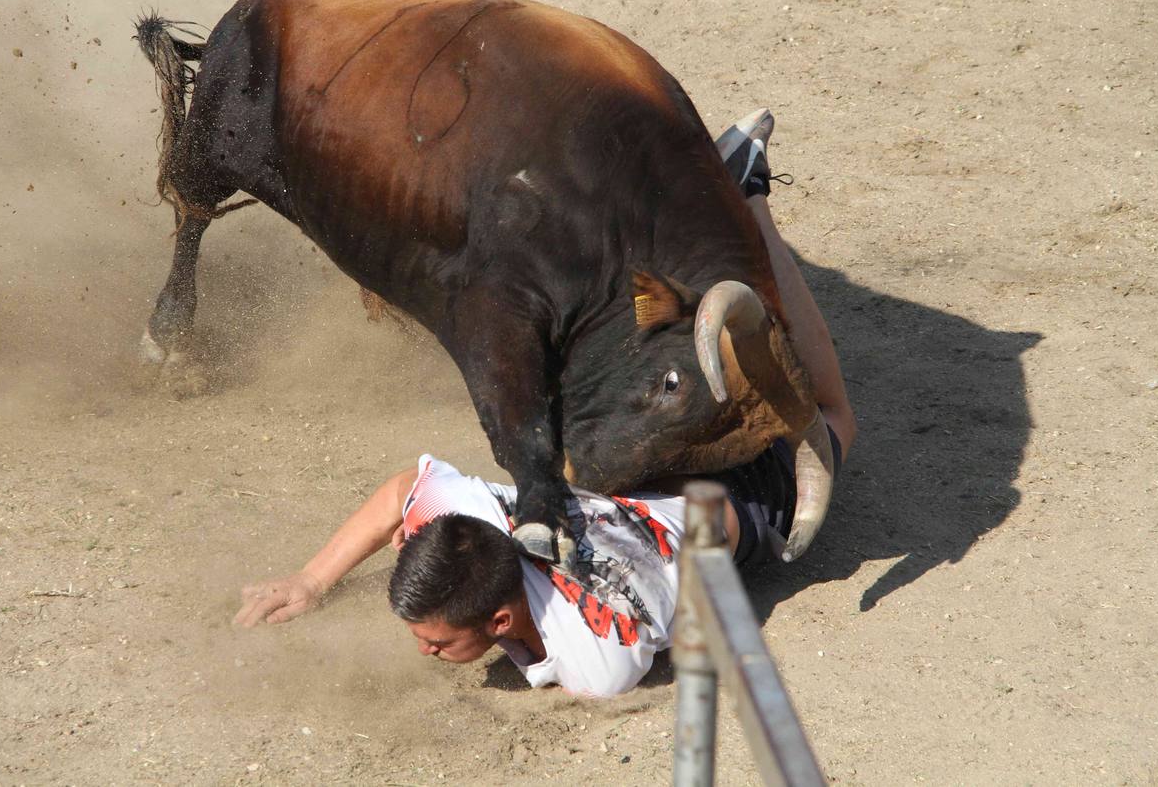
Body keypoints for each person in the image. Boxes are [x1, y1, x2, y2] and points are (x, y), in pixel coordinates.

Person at [234, 112, 856, 697]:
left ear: (501, 620)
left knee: (832, 424)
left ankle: (748, 200)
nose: (425, 650)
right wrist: (312, 581)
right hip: (631, 467)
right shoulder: (488, 520)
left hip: (718, 495)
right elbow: (403, 494)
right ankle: (723, 206)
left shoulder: (599, 659)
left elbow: (406, 495)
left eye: (437, 642)